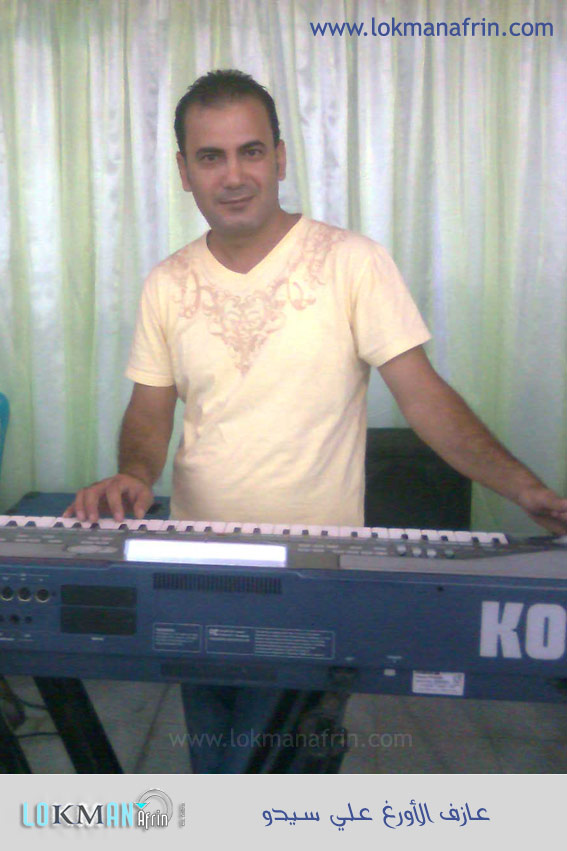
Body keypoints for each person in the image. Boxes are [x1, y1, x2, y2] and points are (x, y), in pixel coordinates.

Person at [65, 69, 567, 772]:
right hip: (197, 571)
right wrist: (133, 473)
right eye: (210, 157)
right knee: (213, 765)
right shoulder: (167, 282)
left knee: (282, 776)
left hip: (318, 578)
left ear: (279, 157)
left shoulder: (352, 262)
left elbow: (424, 398)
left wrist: (525, 488)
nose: (233, 175)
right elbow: (150, 411)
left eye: (250, 151)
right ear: (183, 172)